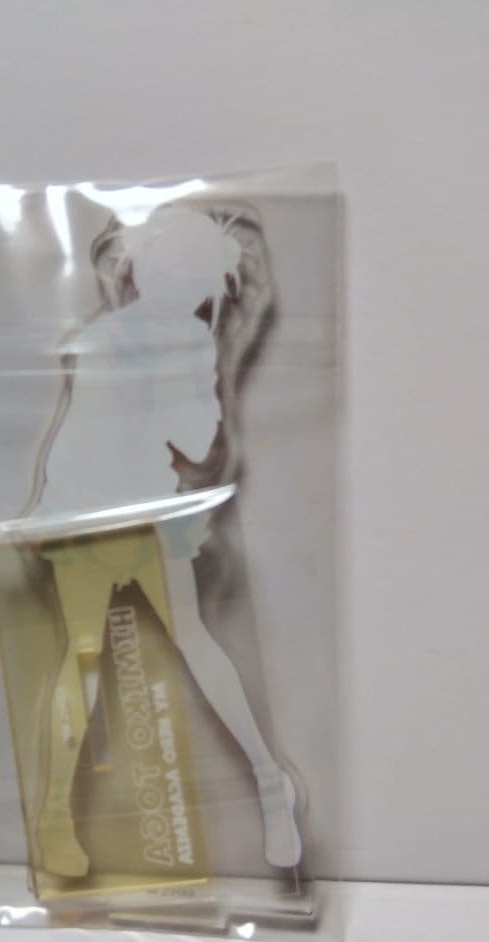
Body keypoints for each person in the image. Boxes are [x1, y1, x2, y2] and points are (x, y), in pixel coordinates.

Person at [26, 202, 302, 875]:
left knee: (185, 641)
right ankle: (57, 817)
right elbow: (144, 436)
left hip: (137, 514)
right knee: (91, 658)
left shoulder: (172, 340)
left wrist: (181, 390)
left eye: (184, 273)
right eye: (163, 268)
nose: (169, 282)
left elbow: (198, 443)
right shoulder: (116, 339)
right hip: (88, 515)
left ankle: (270, 781)